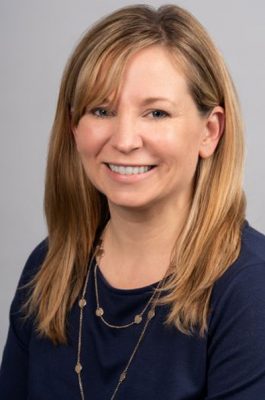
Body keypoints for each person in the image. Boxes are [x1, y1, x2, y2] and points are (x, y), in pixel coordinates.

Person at [1, 4, 265, 399]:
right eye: (102, 110)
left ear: (210, 132)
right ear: (75, 127)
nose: (124, 140)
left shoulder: (250, 289)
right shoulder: (48, 268)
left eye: (156, 113)